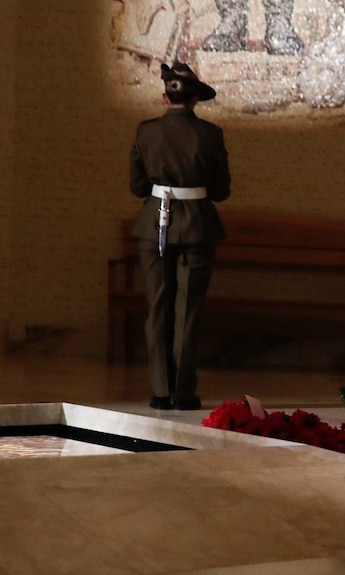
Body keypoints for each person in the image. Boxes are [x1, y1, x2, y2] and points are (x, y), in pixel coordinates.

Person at [129, 61, 231, 410]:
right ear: (194, 100)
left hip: (152, 224)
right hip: (198, 226)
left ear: (164, 96)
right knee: (188, 310)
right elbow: (220, 191)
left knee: (157, 307)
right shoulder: (211, 134)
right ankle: (182, 393)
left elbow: (137, 185)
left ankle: (160, 390)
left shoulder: (145, 132)